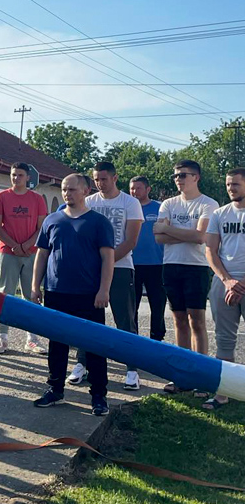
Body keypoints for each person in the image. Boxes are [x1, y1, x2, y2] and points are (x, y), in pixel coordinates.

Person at [31, 174, 115, 416]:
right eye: (64, 189)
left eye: (72, 189)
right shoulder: (52, 220)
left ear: (86, 191)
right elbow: (42, 255)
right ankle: (55, 389)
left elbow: (108, 258)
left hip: (89, 294)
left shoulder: (98, 222)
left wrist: (104, 289)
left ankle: (98, 395)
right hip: (56, 292)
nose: (67, 193)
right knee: (57, 343)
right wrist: (35, 287)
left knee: (94, 345)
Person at [68, 161, 143, 391]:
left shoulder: (130, 203)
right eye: (96, 179)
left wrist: (107, 263)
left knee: (125, 320)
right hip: (90, 270)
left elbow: (130, 241)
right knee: (87, 319)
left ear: (114, 178)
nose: (100, 183)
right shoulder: (89, 202)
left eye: (104, 179)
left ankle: (132, 369)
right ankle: (82, 363)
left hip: (121, 268)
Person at [155, 159, 219, 391]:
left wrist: (168, 229)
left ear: (196, 177)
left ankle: (200, 375)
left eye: (183, 175)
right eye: (175, 176)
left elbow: (200, 237)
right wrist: (183, 233)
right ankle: (182, 375)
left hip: (196, 266)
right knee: (179, 320)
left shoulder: (208, 204)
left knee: (197, 320)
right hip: (171, 265)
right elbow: (158, 237)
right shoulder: (168, 204)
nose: (178, 180)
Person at [0, 162, 48, 355]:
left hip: (31, 253)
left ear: (28, 177)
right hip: (8, 252)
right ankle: (2, 337)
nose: (16, 178)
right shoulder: (1, 197)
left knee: (31, 295)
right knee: (5, 294)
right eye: (14, 175)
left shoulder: (37, 199)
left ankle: (32, 338)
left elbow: (41, 228)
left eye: (20, 175)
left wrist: (26, 245)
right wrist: (14, 245)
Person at [203, 168, 245, 409]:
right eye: (228, 184)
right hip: (224, 282)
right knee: (224, 339)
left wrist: (241, 283)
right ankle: (223, 393)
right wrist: (228, 281)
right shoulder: (220, 214)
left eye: (235, 184)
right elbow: (210, 250)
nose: (231, 188)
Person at [129, 175, 167, 343]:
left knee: (157, 304)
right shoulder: (128, 207)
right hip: (132, 264)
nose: (134, 191)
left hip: (156, 263)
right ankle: (133, 339)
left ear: (148, 189)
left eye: (138, 188)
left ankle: (157, 338)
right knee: (132, 305)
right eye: (132, 188)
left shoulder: (160, 208)